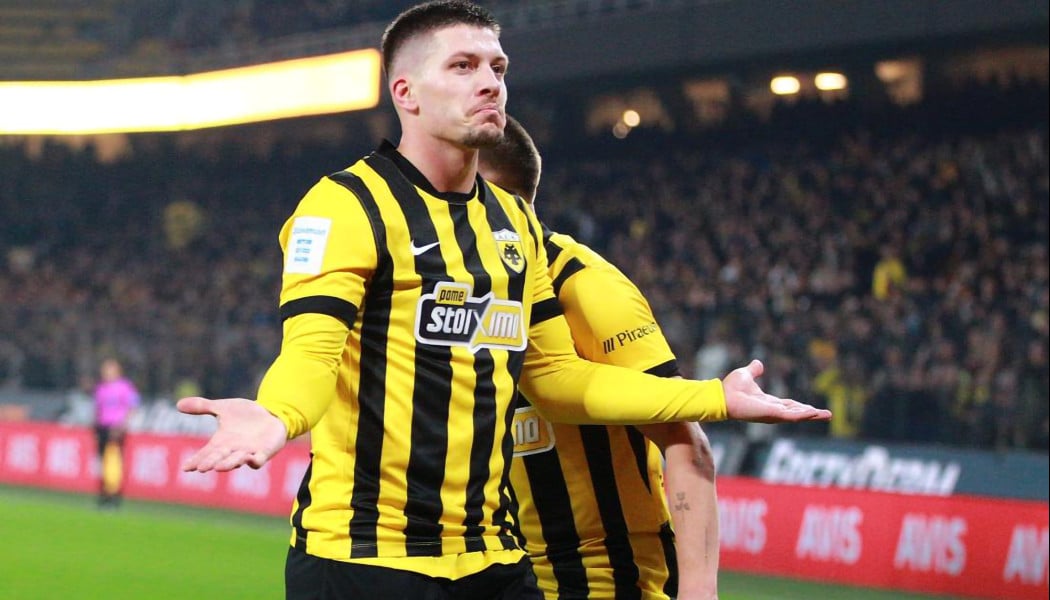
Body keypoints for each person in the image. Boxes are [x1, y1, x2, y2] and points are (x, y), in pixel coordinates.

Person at [175, 2, 831, 599]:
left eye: (497, 67)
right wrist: (278, 414)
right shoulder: (344, 205)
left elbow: (556, 378)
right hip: (367, 557)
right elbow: (311, 356)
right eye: (462, 67)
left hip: (491, 558)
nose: (489, 82)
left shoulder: (514, 226)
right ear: (405, 93)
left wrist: (713, 397)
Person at [479, 116, 720, 600]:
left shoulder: (588, 288)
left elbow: (685, 440)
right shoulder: (464, 285)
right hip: (505, 573)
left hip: (605, 579)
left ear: (496, 196)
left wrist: (698, 590)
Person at [92, 357, 140, 508]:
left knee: (114, 460)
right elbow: (98, 408)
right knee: (102, 462)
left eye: (110, 369)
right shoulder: (101, 388)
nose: (106, 372)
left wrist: (122, 424)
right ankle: (104, 492)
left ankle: (113, 494)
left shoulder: (125, 387)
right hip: (102, 427)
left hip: (116, 428)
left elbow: (133, 406)